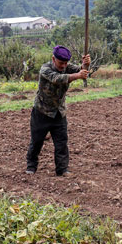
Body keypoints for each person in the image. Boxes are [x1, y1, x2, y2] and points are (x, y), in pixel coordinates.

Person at [26, 45, 90, 177]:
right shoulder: (45, 69)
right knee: (37, 141)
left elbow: (81, 72)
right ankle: (31, 167)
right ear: (53, 59)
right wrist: (78, 75)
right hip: (41, 112)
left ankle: (62, 169)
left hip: (59, 113)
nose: (63, 66)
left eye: (66, 63)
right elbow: (57, 79)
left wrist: (85, 65)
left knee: (61, 143)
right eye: (61, 63)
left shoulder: (67, 67)